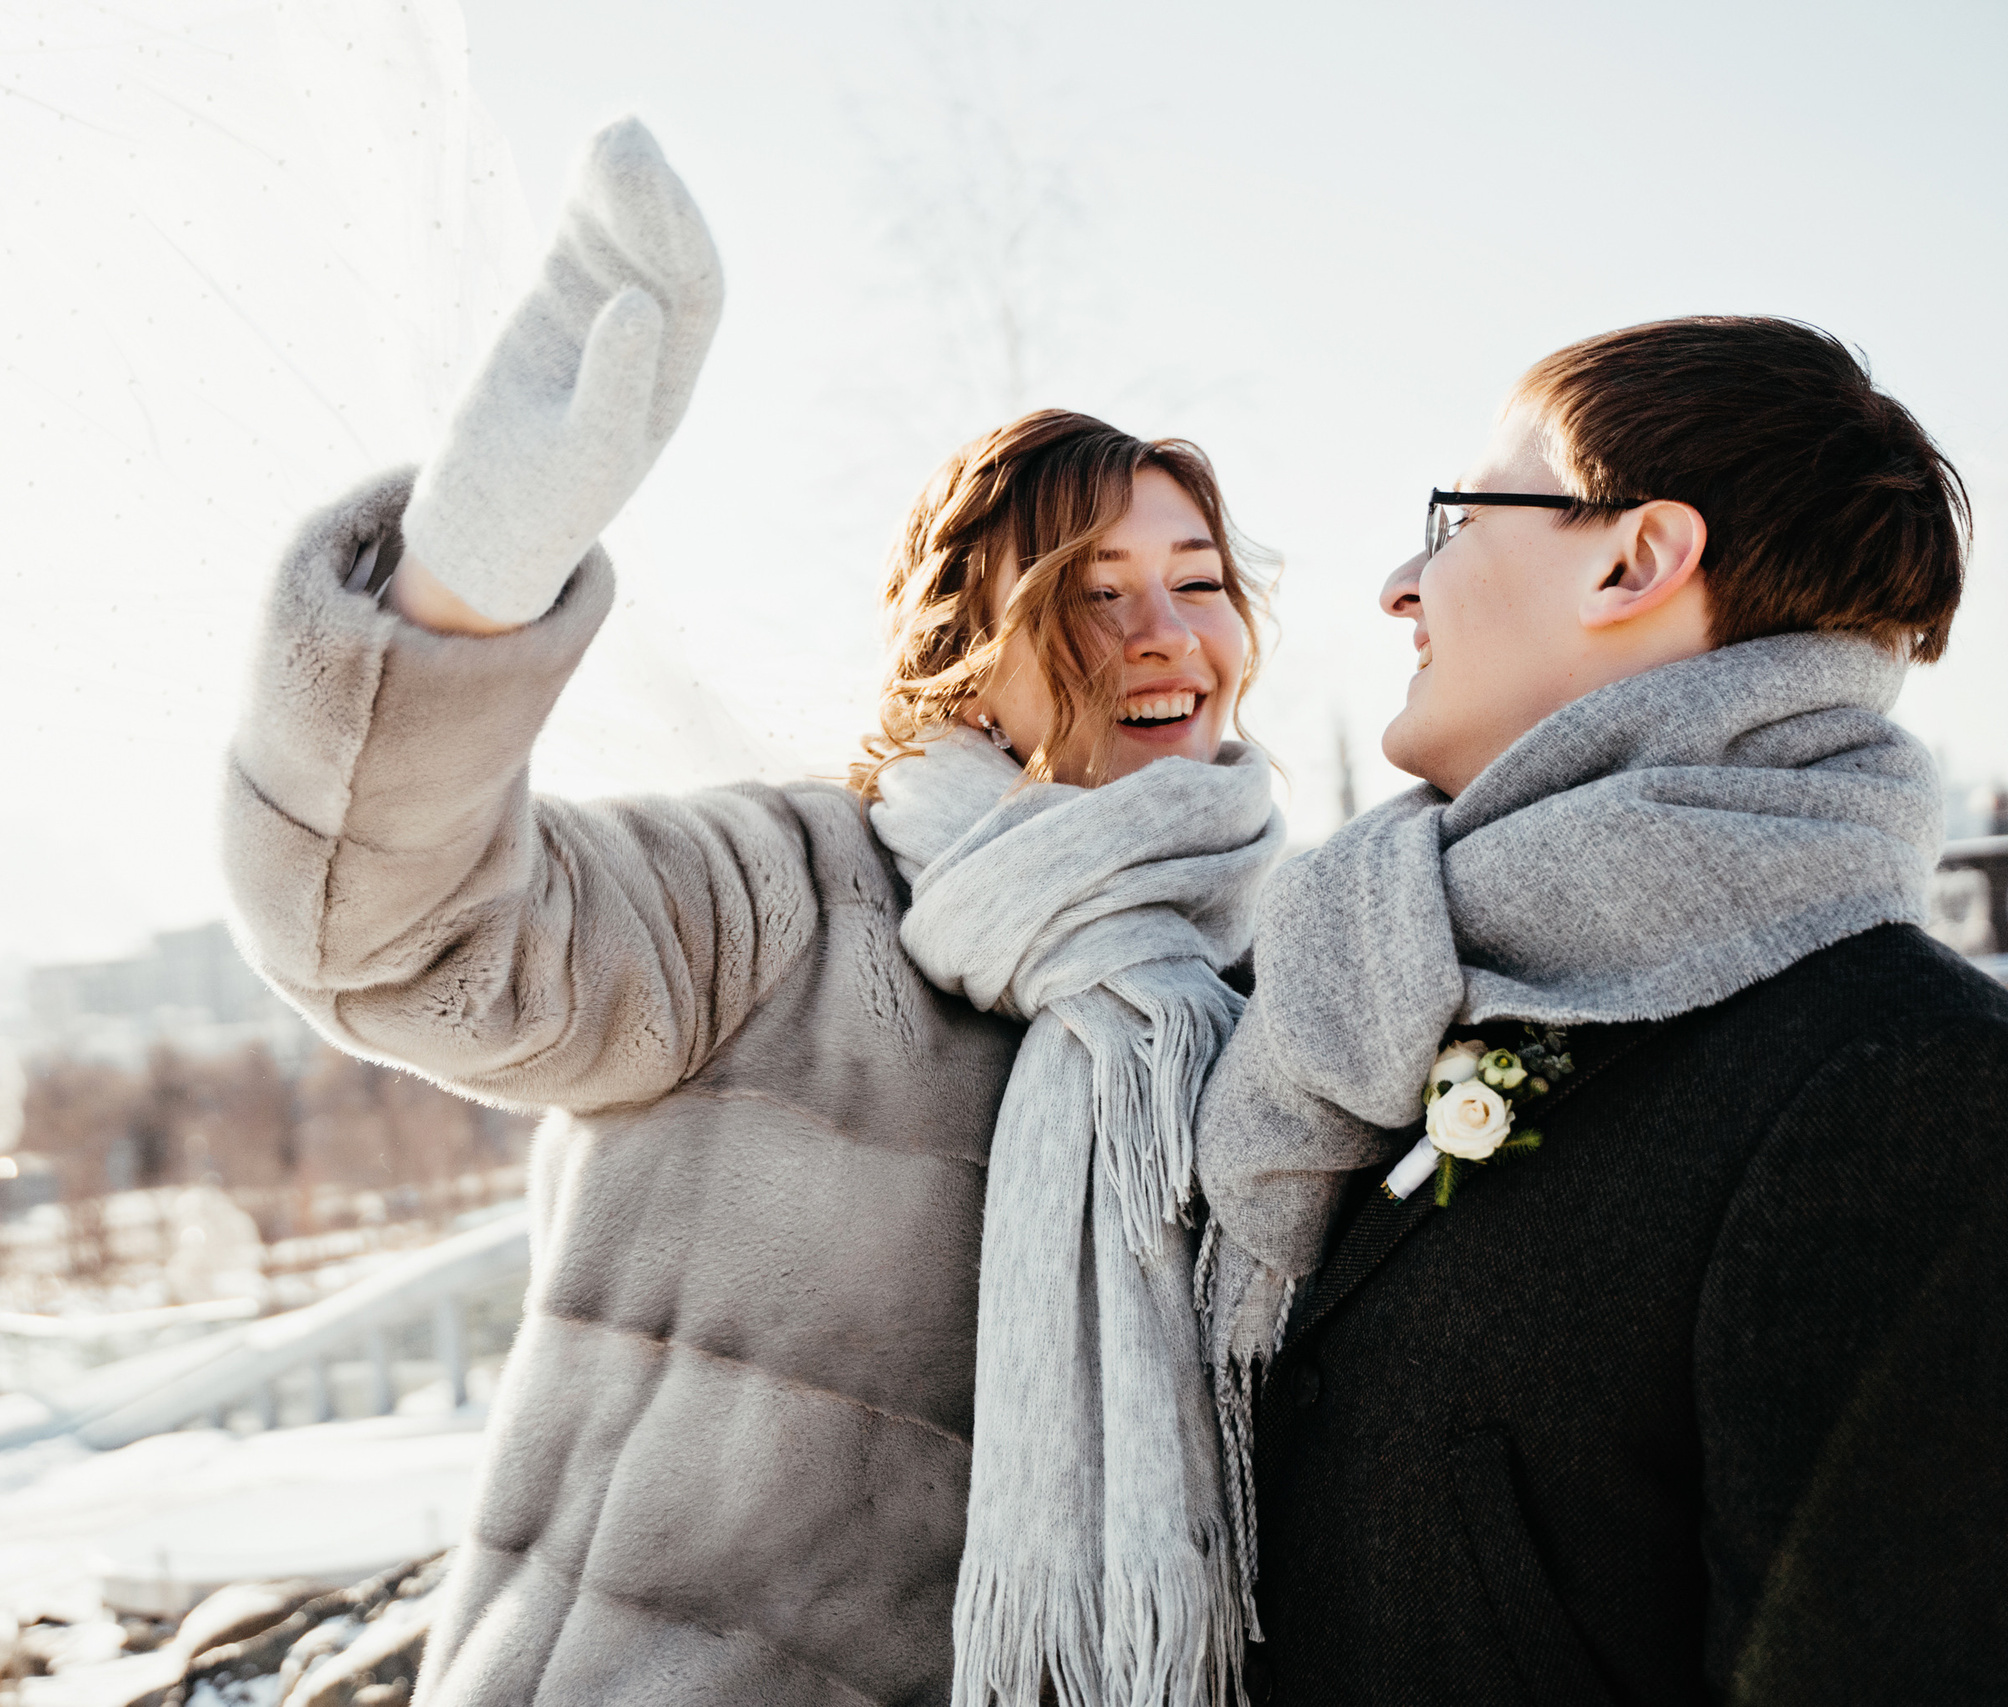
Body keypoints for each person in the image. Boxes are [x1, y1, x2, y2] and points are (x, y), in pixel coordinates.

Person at [221, 118, 1289, 1705]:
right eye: (1086, 590)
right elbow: (386, 932)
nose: (1162, 636)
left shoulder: (1245, 990)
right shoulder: (783, 901)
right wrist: (465, 584)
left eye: (1198, 580)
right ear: (960, 643)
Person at [1194, 316, 2008, 1705]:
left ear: (1636, 559)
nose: (1402, 583)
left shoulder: (1905, 1084)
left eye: (1452, 523)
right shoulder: (1382, 990)